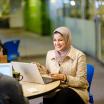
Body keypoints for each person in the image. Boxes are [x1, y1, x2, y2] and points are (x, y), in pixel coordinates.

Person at [43, 26, 89, 104]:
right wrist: (39, 68)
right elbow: (48, 73)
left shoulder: (79, 56)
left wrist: (65, 77)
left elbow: (82, 82)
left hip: (75, 91)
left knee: (64, 94)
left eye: (60, 40)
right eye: (54, 40)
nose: (57, 43)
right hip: (55, 89)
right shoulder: (50, 54)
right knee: (47, 95)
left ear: (67, 40)